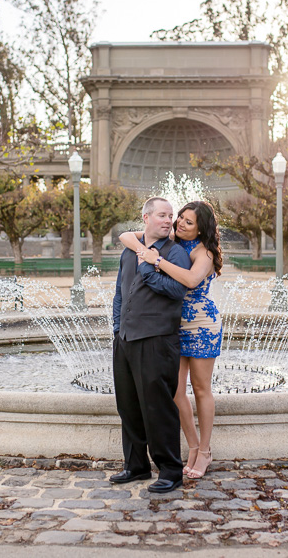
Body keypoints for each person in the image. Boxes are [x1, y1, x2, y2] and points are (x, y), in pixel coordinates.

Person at [120, 200, 223, 479]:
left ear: (201, 229)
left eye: (188, 222)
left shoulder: (205, 252)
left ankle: (204, 451)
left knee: (201, 389)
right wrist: (144, 249)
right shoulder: (172, 240)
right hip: (174, 324)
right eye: (180, 219)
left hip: (201, 324)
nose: (179, 224)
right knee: (175, 391)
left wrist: (157, 260)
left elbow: (190, 281)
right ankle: (190, 445)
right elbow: (126, 237)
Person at [110, 197, 191, 493]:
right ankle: (136, 466)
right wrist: (118, 327)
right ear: (145, 218)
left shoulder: (176, 253)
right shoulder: (130, 250)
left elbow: (177, 291)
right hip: (126, 338)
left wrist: (148, 269)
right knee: (128, 406)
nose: (168, 220)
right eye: (162, 215)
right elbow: (120, 292)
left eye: (171, 215)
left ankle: (171, 471)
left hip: (158, 339)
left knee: (158, 408)